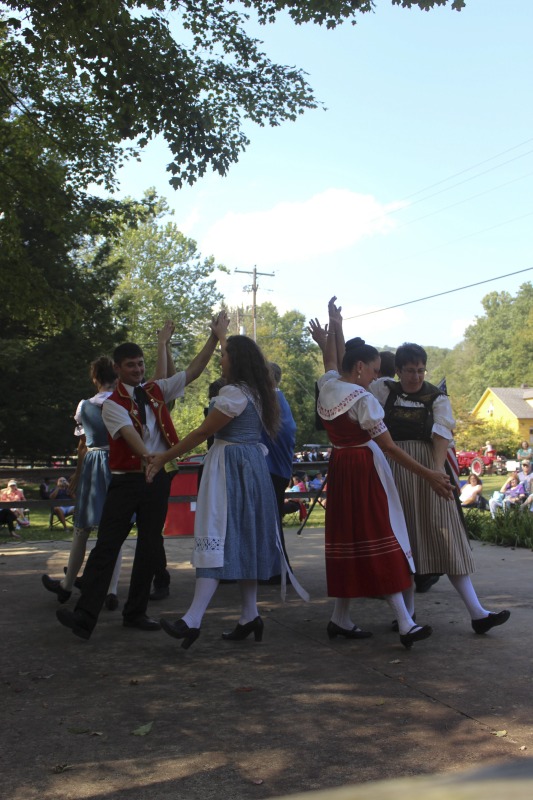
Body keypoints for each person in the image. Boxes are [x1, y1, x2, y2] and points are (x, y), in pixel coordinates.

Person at [55, 312, 229, 640]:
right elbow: (133, 441)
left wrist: (214, 337)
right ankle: (84, 616)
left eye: (140, 363)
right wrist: (152, 458)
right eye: (131, 365)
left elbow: (193, 371)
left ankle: (135, 612)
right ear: (118, 369)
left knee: (150, 545)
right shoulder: (111, 404)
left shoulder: (155, 390)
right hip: (128, 478)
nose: (138, 369)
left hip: (157, 476)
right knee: (107, 545)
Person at [146, 334, 308, 650]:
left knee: (218, 532)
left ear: (237, 360)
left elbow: (204, 431)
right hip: (250, 466)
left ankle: (193, 619)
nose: (221, 361)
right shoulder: (259, 391)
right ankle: (249, 615)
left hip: (230, 465)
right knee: (242, 536)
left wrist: (165, 455)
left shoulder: (233, 393)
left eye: (224, 355)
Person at [314, 298, 452, 649]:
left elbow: (334, 360)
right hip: (365, 468)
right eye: (375, 369)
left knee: (350, 539)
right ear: (361, 367)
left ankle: (340, 618)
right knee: (383, 537)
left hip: (341, 467)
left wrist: (335, 327)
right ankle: (405, 623)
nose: (378, 375)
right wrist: (430, 474)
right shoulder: (363, 400)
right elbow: (390, 448)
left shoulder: (329, 385)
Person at [370, 342, 511, 636]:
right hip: (394, 468)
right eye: (410, 371)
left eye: (421, 370)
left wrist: (435, 473)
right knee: (403, 541)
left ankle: (477, 612)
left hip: (427, 468)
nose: (417, 376)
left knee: (447, 537)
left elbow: (441, 436)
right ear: (397, 371)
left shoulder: (436, 398)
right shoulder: (383, 390)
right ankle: (406, 616)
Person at [41, 355, 123, 607]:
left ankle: (66, 586)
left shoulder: (85, 406)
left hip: (94, 464)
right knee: (115, 531)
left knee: (82, 529)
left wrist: (78, 473)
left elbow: (82, 446)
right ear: (117, 376)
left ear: (95, 378)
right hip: (119, 466)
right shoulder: (123, 403)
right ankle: (111, 591)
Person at [260, 362, 297, 582]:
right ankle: (276, 567)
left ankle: (278, 568)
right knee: (270, 520)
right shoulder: (278, 400)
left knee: (270, 521)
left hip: (271, 468)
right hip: (278, 468)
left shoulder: (270, 401)